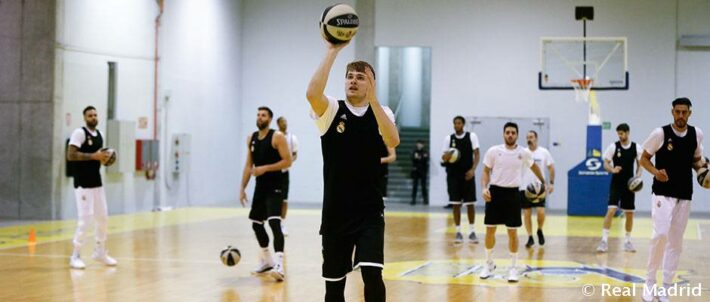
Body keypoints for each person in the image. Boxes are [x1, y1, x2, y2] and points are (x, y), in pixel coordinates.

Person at [306, 39, 399, 302]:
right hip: (335, 213)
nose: (353, 81)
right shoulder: (332, 110)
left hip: (369, 211)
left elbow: (392, 140)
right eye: (349, 77)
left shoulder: (382, 112)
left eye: (360, 77)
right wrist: (332, 51)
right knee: (334, 286)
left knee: (372, 274)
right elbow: (312, 94)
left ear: (371, 83)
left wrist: (374, 99)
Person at [639, 98, 704, 302]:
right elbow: (643, 158)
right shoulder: (661, 133)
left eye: (684, 112)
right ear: (672, 112)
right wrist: (655, 172)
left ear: (690, 113)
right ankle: (649, 283)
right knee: (660, 235)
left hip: (685, 194)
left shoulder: (696, 134)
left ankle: (665, 287)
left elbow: (696, 161)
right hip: (662, 193)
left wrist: (705, 171)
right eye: (677, 112)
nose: (681, 116)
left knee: (676, 243)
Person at [479, 122, 544, 282]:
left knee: (512, 232)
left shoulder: (523, 153)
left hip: (513, 194)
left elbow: (534, 167)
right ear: (503, 134)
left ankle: (513, 267)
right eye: (507, 132)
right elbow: (486, 171)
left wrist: (543, 182)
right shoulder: (494, 151)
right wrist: (484, 188)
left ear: (517, 135)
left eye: (513, 133)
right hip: (495, 193)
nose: (510, 135)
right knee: (489, 231)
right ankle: (488, 264)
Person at [239, 107, 292, 282]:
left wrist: (265, 168)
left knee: (274, 223)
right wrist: (242, 188)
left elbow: (288, 161)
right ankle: (267, 260)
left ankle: (279, 265)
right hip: (260, 187)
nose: (259, 117)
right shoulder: (251, 138)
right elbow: (248, 165)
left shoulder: (277, 137)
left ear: (269, 119)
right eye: (258, 115)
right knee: (256, 224)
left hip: (275, 186)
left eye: (263, 115)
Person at [66, 106, 117, 269]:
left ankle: (100, 252)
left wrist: (105, 158)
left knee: (103, 217)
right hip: (82, 182)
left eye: (95, 115)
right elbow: (71, 155)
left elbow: (99, 157)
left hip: (96, 181)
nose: (93, 117)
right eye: (90, 115)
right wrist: (93, 156)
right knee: (85, 219)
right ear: (84, 117)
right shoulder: (79, 133)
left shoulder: (100, 135)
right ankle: (75, 255)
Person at [596, 123, 642, 253]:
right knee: (611, 211)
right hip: (616, 183)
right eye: (618, 134)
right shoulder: (613, 146)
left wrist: (637, 177)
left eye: (622, 133)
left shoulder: (636, 147)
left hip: (629, 185)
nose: (620, 136)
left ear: (628, 133)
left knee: (629, 213)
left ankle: (627, 241)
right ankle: (604, 241)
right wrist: (612, 169)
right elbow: (605, 163)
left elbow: (640, 165)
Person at [442, 116, 480, 244]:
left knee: (470, 204)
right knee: (455, 204)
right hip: (453, 176)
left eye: (459, 123)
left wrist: (473, 169)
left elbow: (477, 154)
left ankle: (472, 231)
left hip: (467, 174)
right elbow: (444, 157)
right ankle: (458, 231)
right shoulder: (449, 139)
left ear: (463, 124)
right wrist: (448, 156)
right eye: (455, 123)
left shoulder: (471, 136)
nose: (457, 125)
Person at [520, 130, 555, 248]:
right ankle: (530, 237)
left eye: (531, 137)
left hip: (539, 187)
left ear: (536, 138)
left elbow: (551, 168)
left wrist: (551, 183)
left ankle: (539, 230)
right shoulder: (523, 153)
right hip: (525, 187)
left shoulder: (544, 152)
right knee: (527, 213)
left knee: (541, 212)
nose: (529, 139)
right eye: (527, 137)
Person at [276, 116, 299, 236]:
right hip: (273, 173)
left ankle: (282, 224)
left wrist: (288, 161)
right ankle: (264, 222)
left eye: (286, 121)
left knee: (284, 200)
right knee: (270, 199)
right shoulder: (274, 137)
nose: (285, 123)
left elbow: (295, 155)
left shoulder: (292, 138)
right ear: (278, 123)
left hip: (284, 173)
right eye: (282, 121)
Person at [411, 140, 429, 205]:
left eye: (421, 144)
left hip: (423, 171)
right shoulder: (414, 151)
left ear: (423, 145)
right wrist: (421, 158)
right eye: (418, 144)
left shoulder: (425, 152)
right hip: (415, 171)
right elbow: (412, 158)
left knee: (423, 186)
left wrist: (418, 158)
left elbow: (425, 159)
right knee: (414, 186)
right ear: (416, 144)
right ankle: (413, 199)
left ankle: (425, 200)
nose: (419, 145)